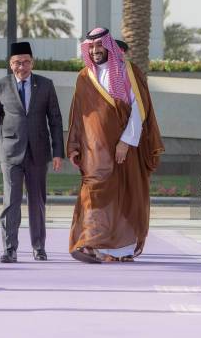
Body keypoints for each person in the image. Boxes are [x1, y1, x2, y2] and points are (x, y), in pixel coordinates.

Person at [67, 27, 164, 263]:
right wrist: (75, 146)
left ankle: (121, 250)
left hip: (123, 149)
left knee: (125, 193)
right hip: (94, 151)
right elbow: (78, 116)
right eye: (91, 47)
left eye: (99, 46)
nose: (95, 50)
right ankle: (89, 243)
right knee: (93, 193)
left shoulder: (128, 72)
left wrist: (125, 143)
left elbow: (139, 111)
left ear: (108, 46)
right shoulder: (83, 77)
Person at [0, 42, 64, 263]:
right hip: (10, 153)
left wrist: (58, 152)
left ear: (32, 62)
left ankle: (39, 247)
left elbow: (55, 120)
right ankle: (10, 248)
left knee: (37, 202)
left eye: (26, 61)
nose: (22, 66)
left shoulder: (45, 85)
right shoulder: (0, 86)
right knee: (11, 202)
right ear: (11, 64)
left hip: (38, 153)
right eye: (18, 62)